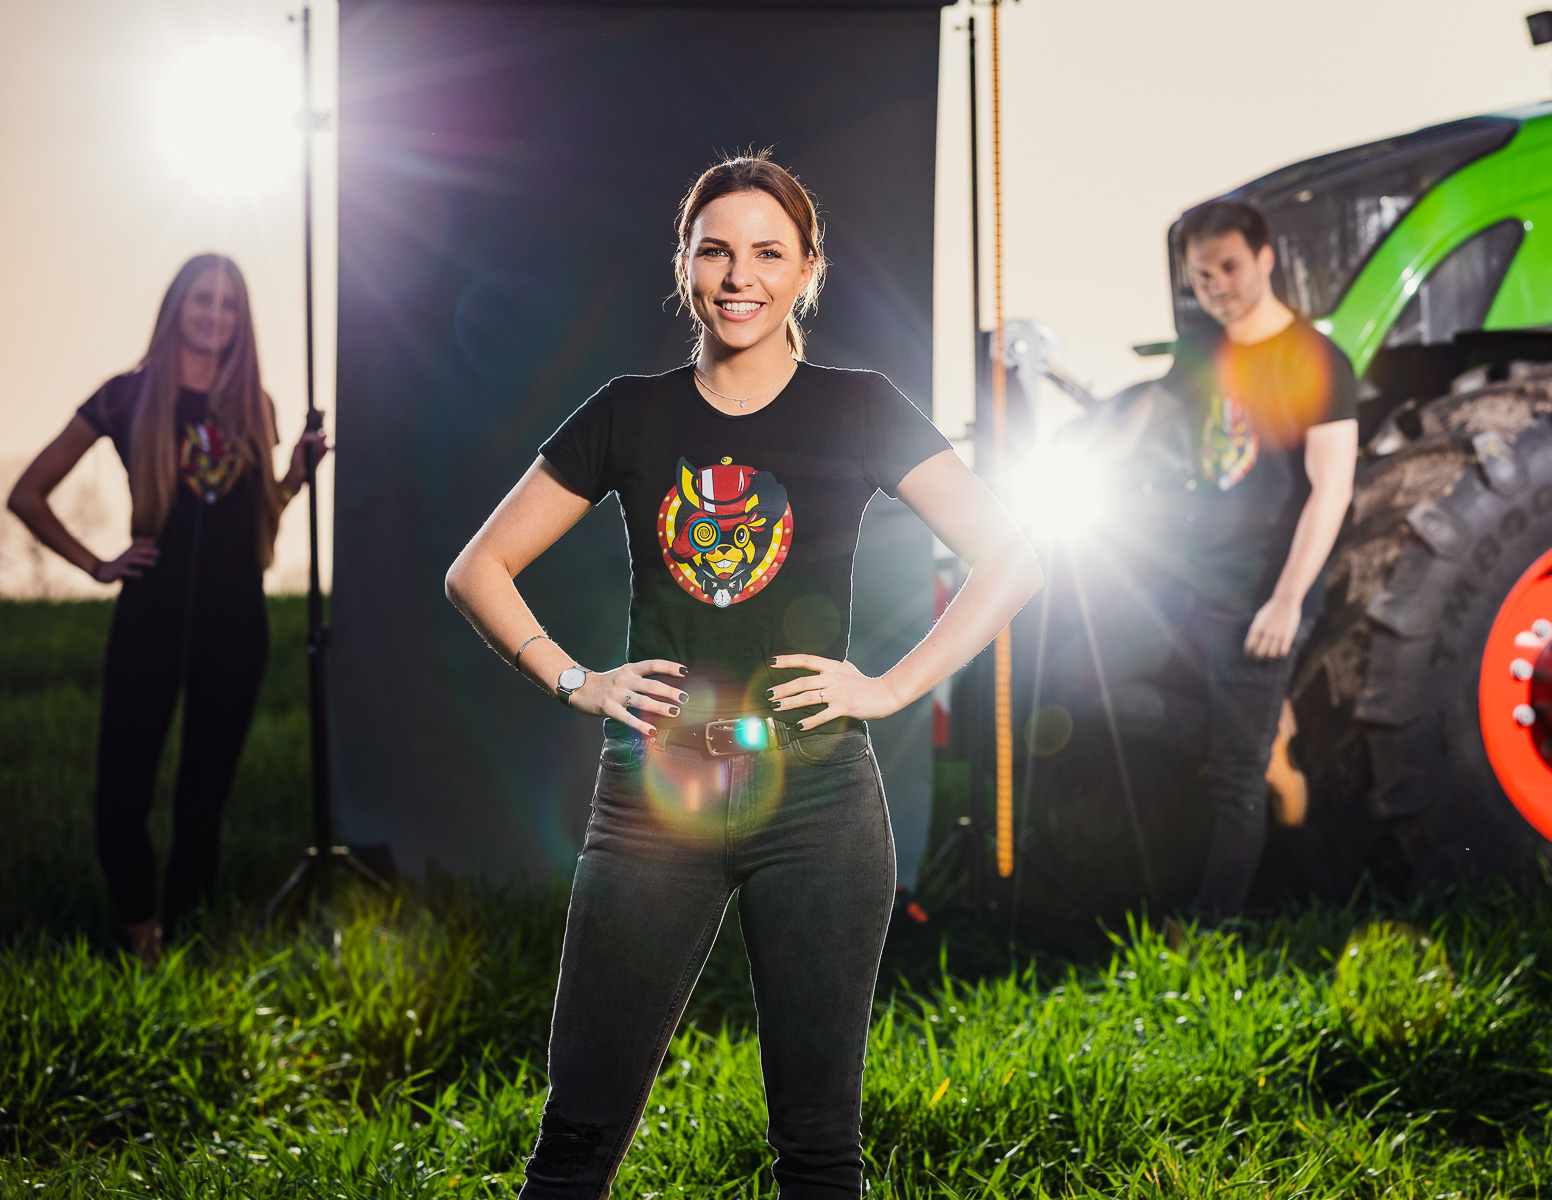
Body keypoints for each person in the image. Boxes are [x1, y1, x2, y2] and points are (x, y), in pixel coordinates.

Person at [443, 151, 1042, 1198]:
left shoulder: (858, 407)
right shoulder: (631, 413)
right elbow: (476, 568)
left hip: (817, 798)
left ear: (807, 270)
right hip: (652, 799)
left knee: (817, 1151)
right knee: (575, 1144)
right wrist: (574, 677)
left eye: (769, 252)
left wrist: (890, 689)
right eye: (716, 251)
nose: (739, 276)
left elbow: (1014, 557)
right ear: (683, 265)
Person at [6, 254, 326, 966]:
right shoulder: (125, 397)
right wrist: (96, 564)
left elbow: (254, 513)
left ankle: (183, 949)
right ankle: (140, 931)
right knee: (120, 797)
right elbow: (26, 494)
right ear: (177, 306)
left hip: (237, 620)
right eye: (202, 301)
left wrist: (293, 479)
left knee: (201, 805)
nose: (216, 315)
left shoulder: (255, 404)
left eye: (230, 304)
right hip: (149, 616)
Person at [1168, 199, 1358, 923]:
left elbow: (1330, 488)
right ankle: (1274, 752)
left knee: (1233, 778)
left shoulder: (1316, 360)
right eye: (1202, 273)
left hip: (1262, 592)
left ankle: (1212, 933)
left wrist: (1285, 601)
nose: (1217, 283)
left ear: (1265, 258)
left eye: (1229, 266)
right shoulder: (1204, 353)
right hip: (1198, 582)